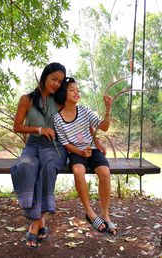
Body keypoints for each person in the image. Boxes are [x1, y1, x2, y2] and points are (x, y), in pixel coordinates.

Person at [10, 63, 68, 248]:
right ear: (44, 77)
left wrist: (95, 139)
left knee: (48, 167)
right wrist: (39, 129)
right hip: (33, 145)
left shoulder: (60, 100)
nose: (57, 84)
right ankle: (39, 221)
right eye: (54, 79)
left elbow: (78, 117)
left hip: (54, 147)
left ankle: (35, 224)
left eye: (60, 81)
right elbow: (17, 126)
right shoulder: (26, 99)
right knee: (27, 166)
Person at [53, 77, 117, 235]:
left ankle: (105, 214)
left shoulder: (85, 111)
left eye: (78, 90)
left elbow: (104, 127)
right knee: (78, 171)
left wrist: (108, 110)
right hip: (75, 151)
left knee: (104, 172)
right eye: (72, 90)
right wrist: (80, 152)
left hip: (92, 149)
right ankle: (90, 212)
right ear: (63, 93)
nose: (77, 92)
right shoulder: (58, 118)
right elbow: (65, 144)